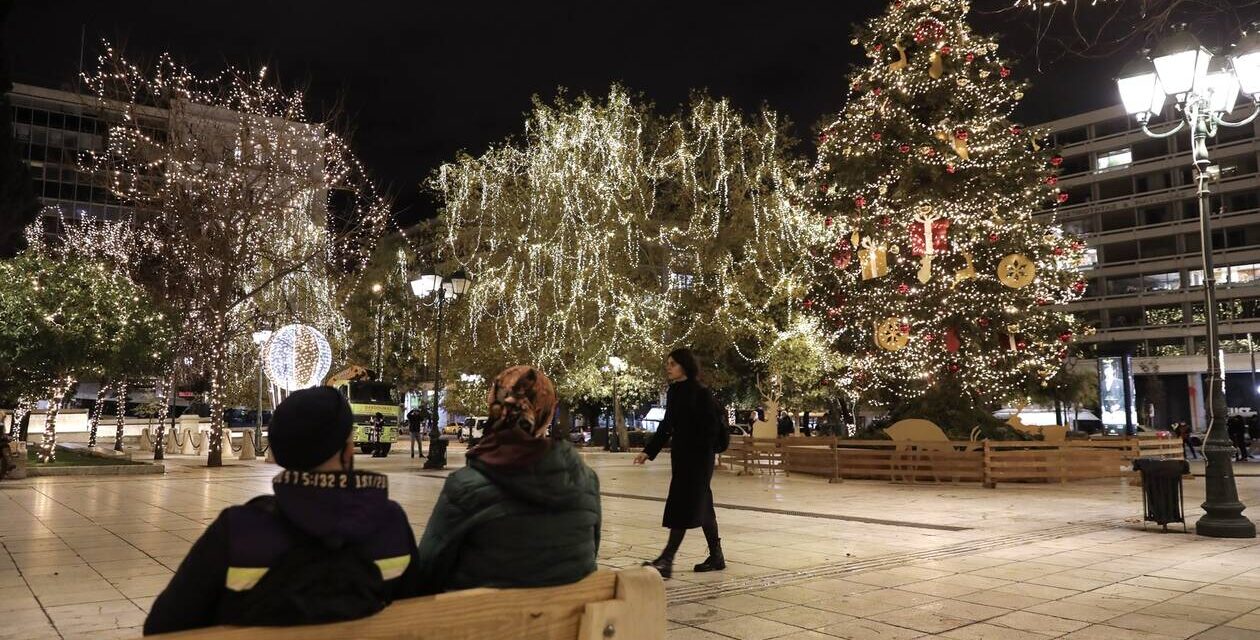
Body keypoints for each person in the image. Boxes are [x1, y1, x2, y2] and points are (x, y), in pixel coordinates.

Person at [143, 387, 421, 635]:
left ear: (279, 452)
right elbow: (420, 609)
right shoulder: (390, 523)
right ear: (348, 451)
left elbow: (163, 627)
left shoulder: (237, 531)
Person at [415, 365, 601, 593]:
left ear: (494, 405)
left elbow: (425, 574)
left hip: (481, 624)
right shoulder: (587, 482)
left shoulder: (465, 488)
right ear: (547, 413)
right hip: (574, 623)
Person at [634, 348, 725, 579]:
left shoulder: (700, 393)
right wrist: (648, 451)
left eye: (673, 363)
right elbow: (667, 426)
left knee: (682, 504)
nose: (669, 367)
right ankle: (716, 556)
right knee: (703, 505)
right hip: (683, 458)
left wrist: (701, 451)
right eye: (668, 363)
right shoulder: (675, 391)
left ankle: (667, 559)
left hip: (698, 460)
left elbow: (712, 428)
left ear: (684, 365)